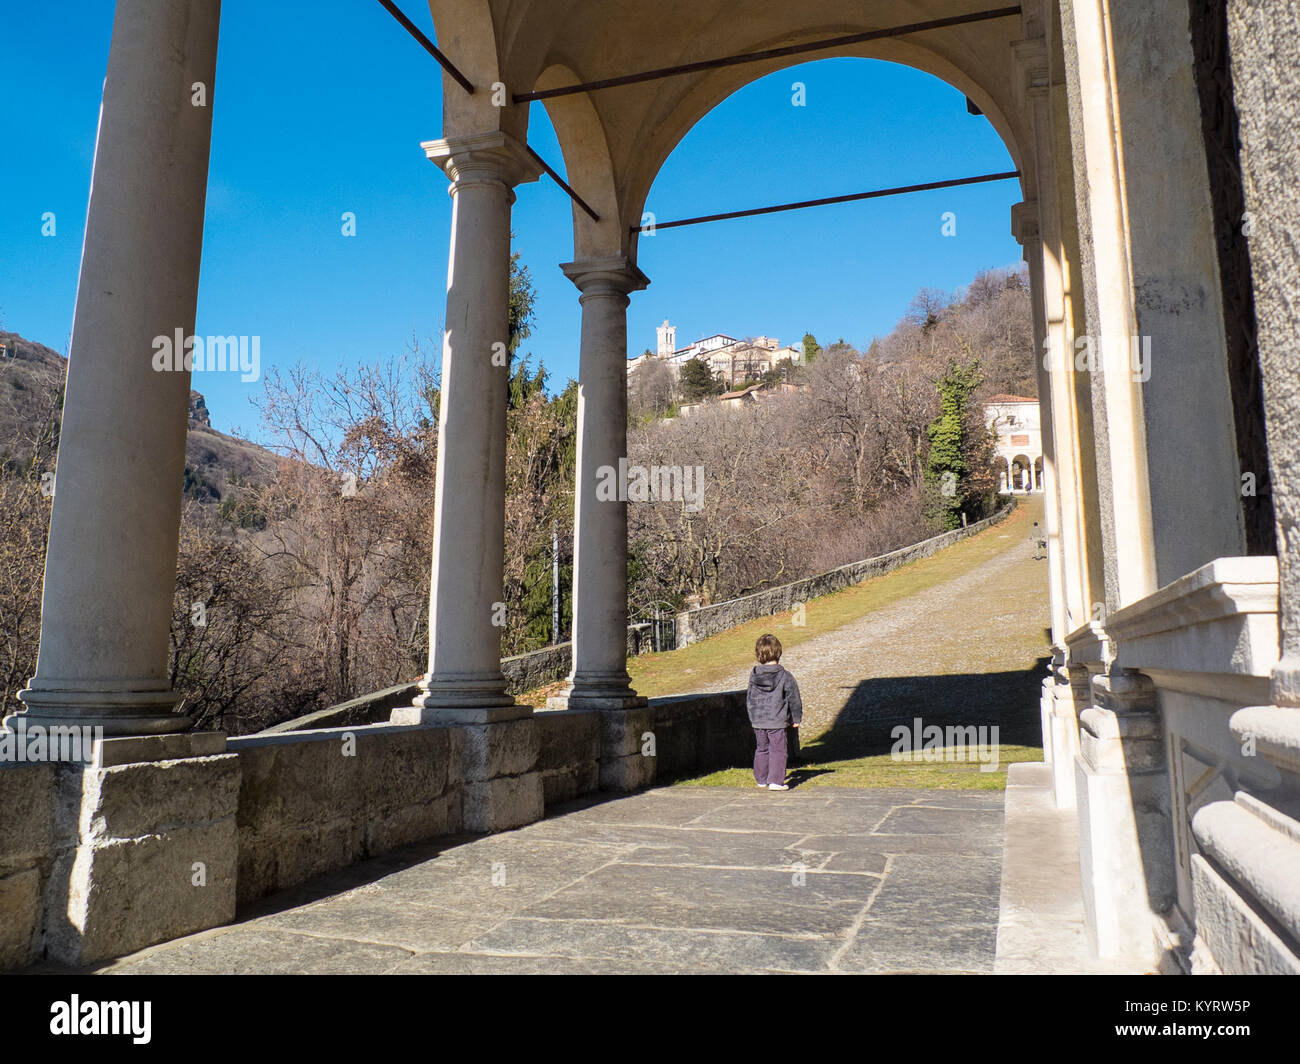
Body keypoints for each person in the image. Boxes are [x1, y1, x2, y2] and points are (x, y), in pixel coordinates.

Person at [746, 633, 803, 791]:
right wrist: (796, 717)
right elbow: (794, 698)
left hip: (758, 720)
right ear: (778, 652)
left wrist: (753, 717)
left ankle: (761, 779)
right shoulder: (785, 676)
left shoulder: (754, 675)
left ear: (758, 654)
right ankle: (776, 781)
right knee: (778, 750)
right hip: (776, 719)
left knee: (761, 748)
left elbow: (749, 698)